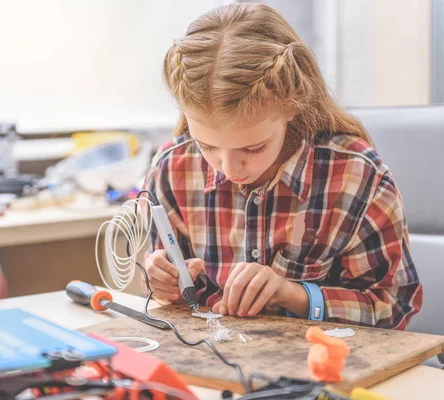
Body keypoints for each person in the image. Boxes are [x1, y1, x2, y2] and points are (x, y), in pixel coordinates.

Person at [141, 3, 422, 329]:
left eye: (253, 147)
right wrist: (166, 285)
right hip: (215, 362)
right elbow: (180, 300)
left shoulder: (356, 177)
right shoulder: (172, 170)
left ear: (294, 104)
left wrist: (292, 294)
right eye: (208, 146)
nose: (229, 168)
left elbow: (393, 307)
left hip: (326, 368)